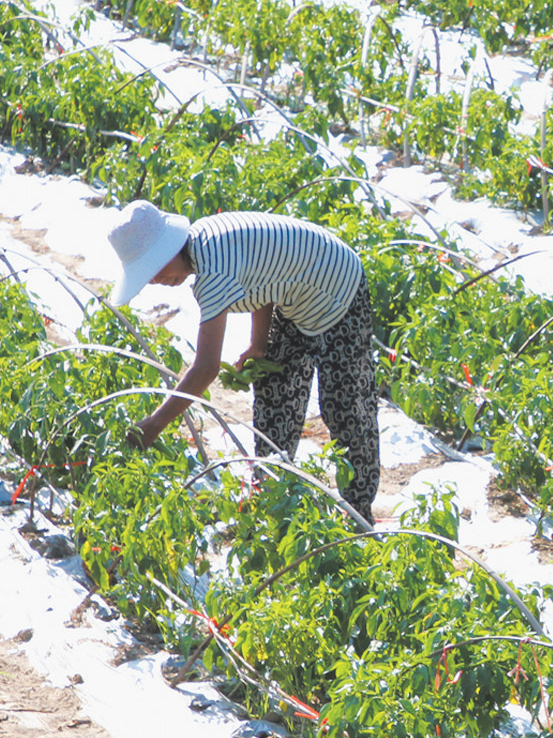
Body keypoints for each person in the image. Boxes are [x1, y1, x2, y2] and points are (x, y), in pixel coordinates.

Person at [106, 200, 380, 522]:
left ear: (168, 250)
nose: (153, 281)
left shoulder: (213, 272)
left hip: (338, 287)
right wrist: (258, 345)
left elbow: (205, 368)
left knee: (344, 406)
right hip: (296, 291)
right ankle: (273, 499)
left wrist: (154, 425)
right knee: (275, 392)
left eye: (152, 270)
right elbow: (263, 276)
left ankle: (359, 515)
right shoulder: (203, 241)